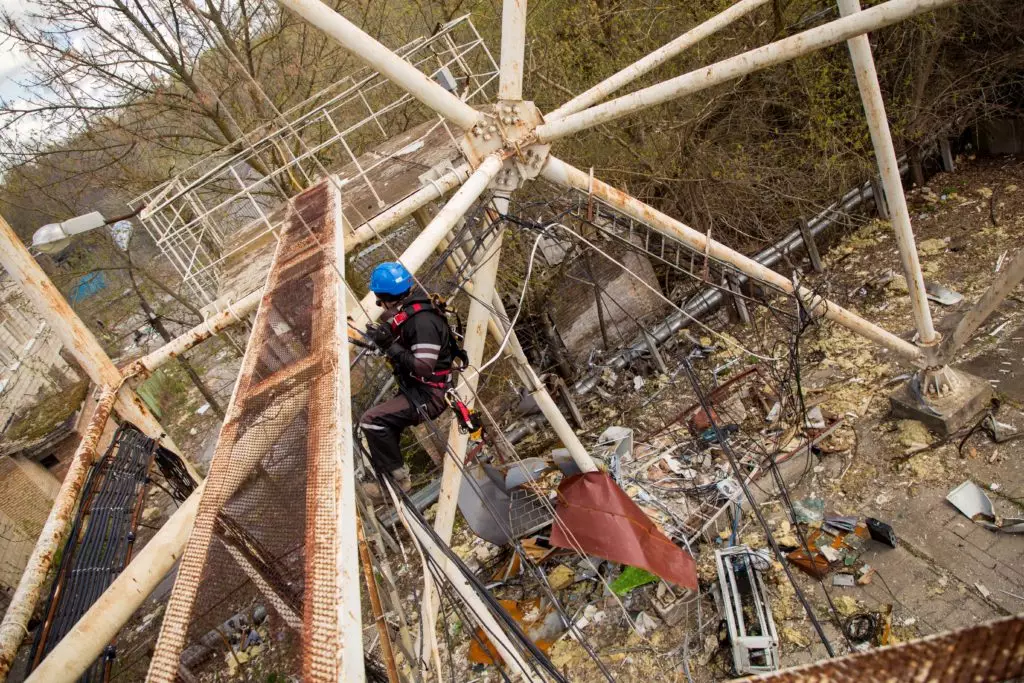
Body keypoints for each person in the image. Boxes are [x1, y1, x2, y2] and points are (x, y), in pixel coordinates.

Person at [358, 261, 459, 501]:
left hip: (430, 394)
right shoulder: (413, 310)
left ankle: (398, 482)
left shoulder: (422, 322)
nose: (380, 306)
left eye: (380, 300)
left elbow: (424, 367)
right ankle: (393, 477)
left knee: (372, 421)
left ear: (388, 298)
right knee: (383, 421)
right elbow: (398, 327)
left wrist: (389, 346)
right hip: (421, 389)